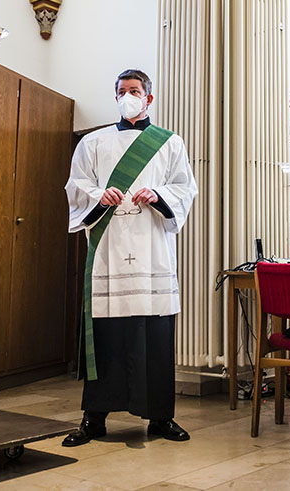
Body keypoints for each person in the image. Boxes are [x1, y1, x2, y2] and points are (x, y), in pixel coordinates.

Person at [62, 69, 198, 446]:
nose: (128, 96)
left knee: (153, 336)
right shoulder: (93, 142)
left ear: (149, 98)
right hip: (108, 248)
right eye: (121, 91)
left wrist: (158, 194)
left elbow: (185, 187)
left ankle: (161, 419)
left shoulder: (169, 143)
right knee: (107, 335)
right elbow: (77, 185)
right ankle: (94, 418)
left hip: (152, 251)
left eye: (135, 91)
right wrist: (97, 196)